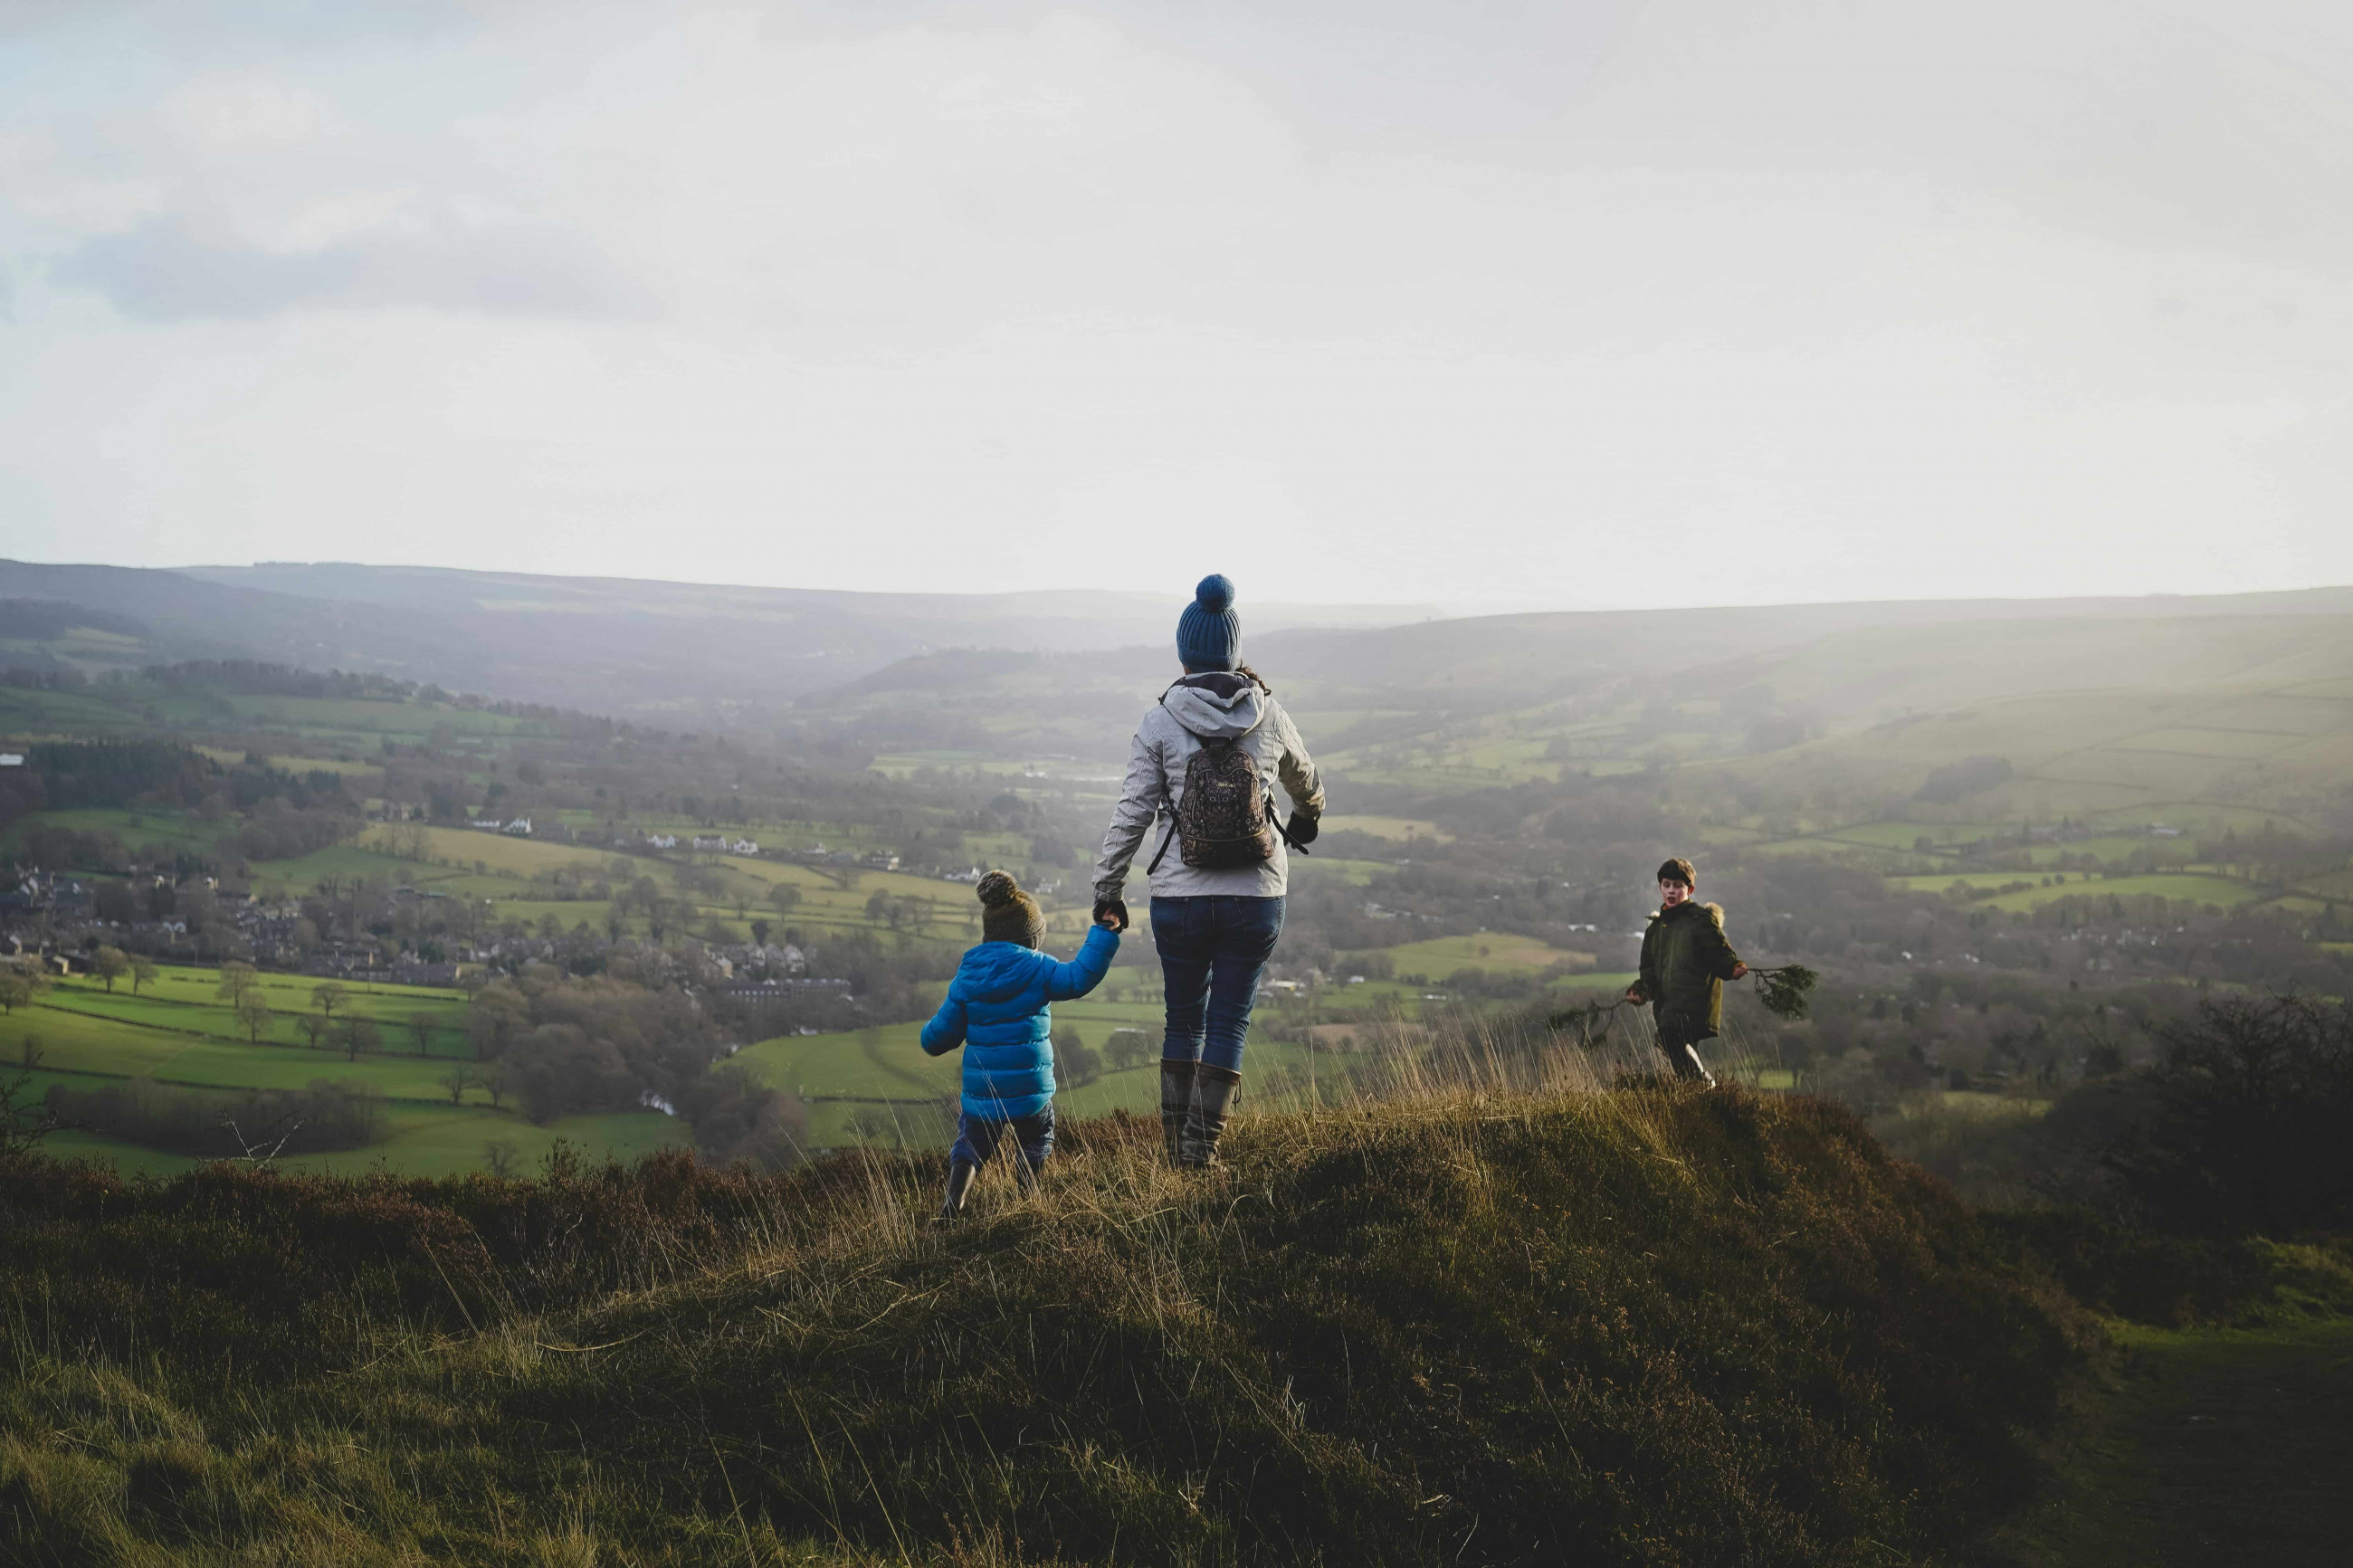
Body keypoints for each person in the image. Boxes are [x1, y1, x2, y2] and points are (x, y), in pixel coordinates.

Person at [1091, 574, 1325, 1168]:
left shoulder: (1160, 719)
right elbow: (1306, 779)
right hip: (1256, 896)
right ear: (1233, 649)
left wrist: (1107, 889)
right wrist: (1308, 819)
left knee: (1183, 1020)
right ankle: (1203, 1153)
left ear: (1185, 651)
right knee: (1229, 1021)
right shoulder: (1268, 711)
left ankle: (1176, 1155)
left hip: (1181, 899)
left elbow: (1131, 816)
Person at [921, 869, 1119, 1219]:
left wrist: (928, 1037)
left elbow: (940, 1036)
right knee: (1037, 1136)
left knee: (971, 1143)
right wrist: (1104, 932)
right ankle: (1028, 1196)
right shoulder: (1038, 969)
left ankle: (954, 1204)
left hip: (984, 1093)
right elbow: (1079, 977)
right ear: (1030, 937)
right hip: (1031, 1089)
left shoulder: (969, 975)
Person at [1624, 857, 1747, 1086]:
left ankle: (1705, 1085)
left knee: (1668, 1038)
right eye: (1667, 885)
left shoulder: (1699, 920)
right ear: (1660, 887)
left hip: (1695, 1003)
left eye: (1678, 886)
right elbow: (1649, 972)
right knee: (1672, 1045)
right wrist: (1640, 991)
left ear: (1690, 889)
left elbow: (1718, 951)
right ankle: (1698, 1094)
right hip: (1668, 1005)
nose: (1672, 891)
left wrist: (1732, 967)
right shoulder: (1655, 929)